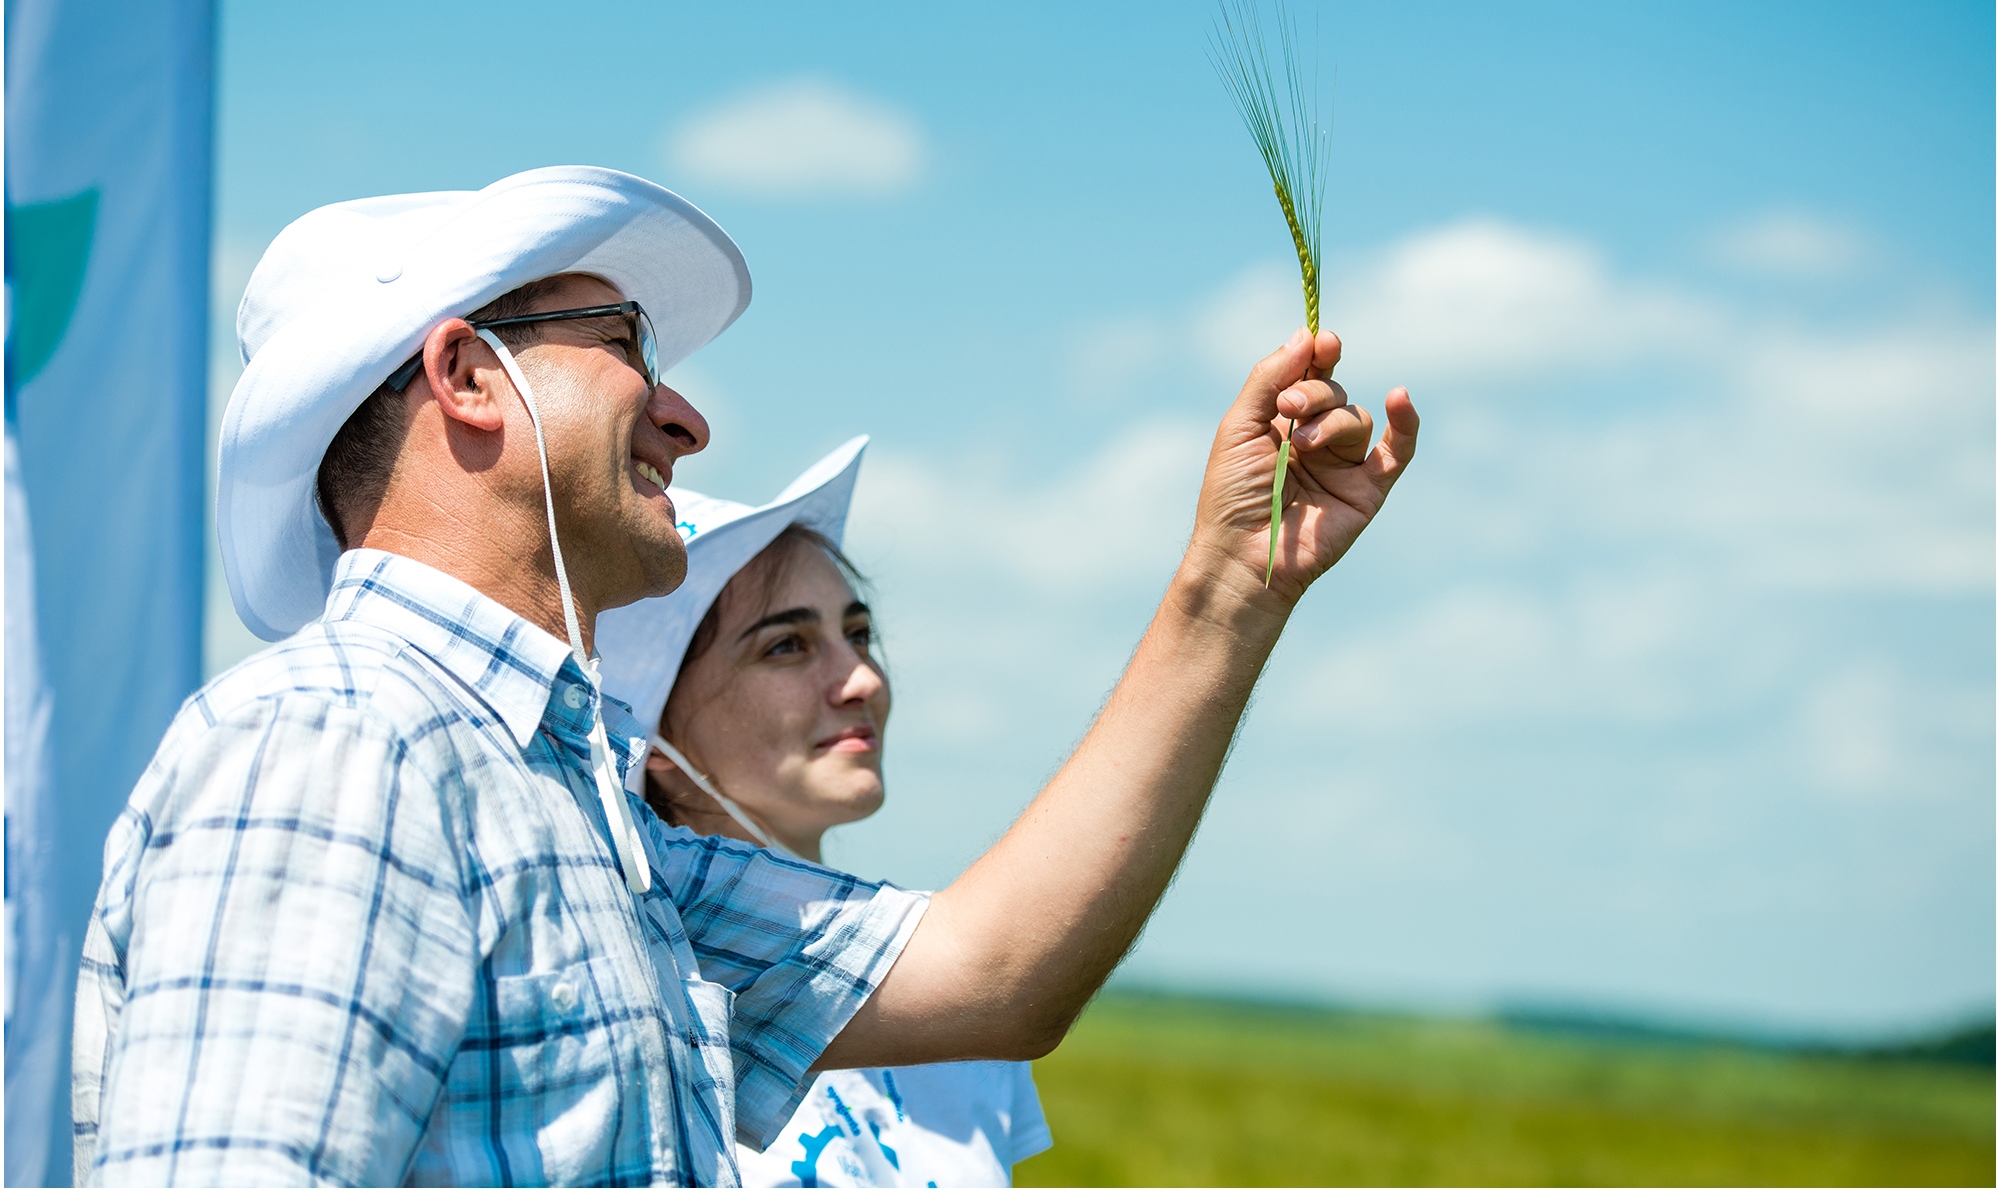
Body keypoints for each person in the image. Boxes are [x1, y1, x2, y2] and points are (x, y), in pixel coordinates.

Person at [72, 166, 1418, 1187]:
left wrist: (1234, 581)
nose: (684, 412)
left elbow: (993, 972)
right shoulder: (342, 744)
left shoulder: (573, 803)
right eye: (624, 343)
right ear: (469, 377)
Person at [594, 437, 1053, 1187]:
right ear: (657, 732)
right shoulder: (636, 1000)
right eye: (787, 646)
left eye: (858, 633)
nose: (862, 677)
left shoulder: (949, 976)